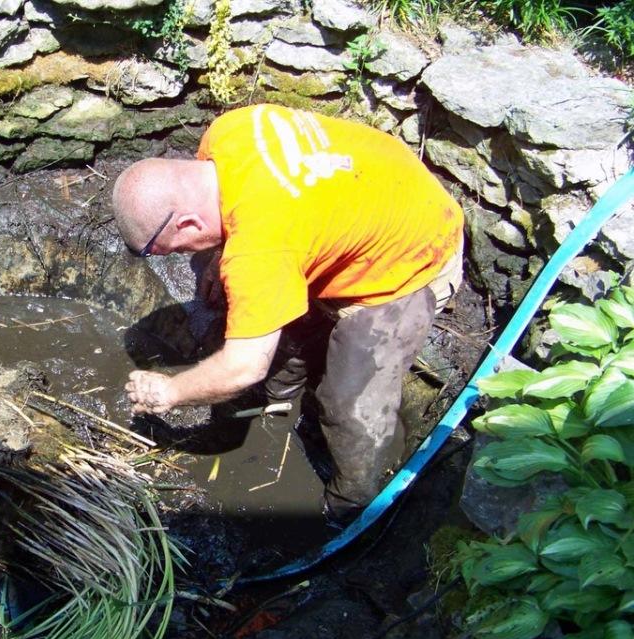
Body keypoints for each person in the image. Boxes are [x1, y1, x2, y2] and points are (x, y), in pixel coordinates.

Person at [113, 104, 464, 525]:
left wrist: (170, 392)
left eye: (178, 248)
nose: (188, 255)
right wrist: (218, 256)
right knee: (282, 342)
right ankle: (279, 411)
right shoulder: (228, 134)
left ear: (187, 224)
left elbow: (243, 367)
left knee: (349, 404)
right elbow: (269, 208)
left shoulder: (261, 249)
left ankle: (357, 507)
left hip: (409, 259)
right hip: (373, 195)